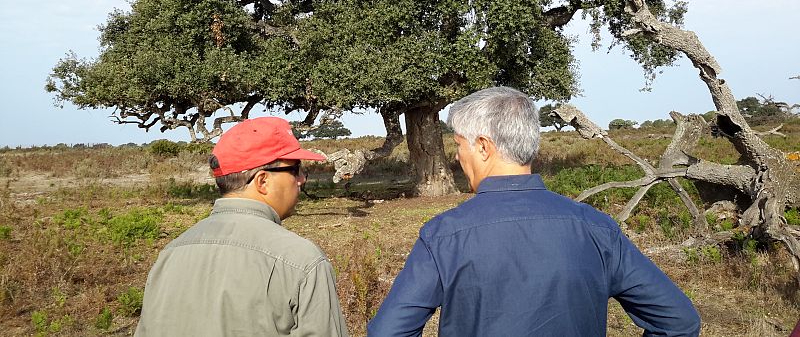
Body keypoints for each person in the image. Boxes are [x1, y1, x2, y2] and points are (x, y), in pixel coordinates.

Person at [368, 87, 701, 337]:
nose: (457, 157)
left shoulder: (444, 235)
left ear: (483, 147)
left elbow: (387, 332)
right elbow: (678, 321)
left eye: (458, 144)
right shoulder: (596, 228)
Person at [136, 117, 348, 336]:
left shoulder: (170, 254)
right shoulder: (303, 261)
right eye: (295, 169)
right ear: (262, 181)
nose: (302, 179)